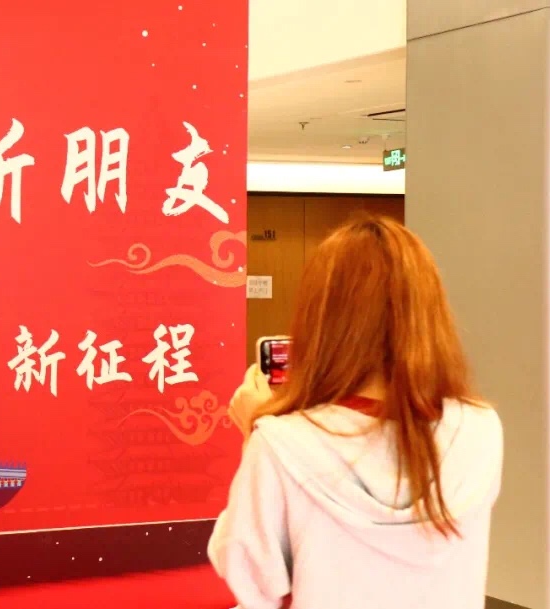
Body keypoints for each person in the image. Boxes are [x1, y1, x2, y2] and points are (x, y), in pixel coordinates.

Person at [209, 216, 503, 609]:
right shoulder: (480, 428)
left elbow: (251, 581)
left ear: (322, 319)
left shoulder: (282, 444)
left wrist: (256, 430)